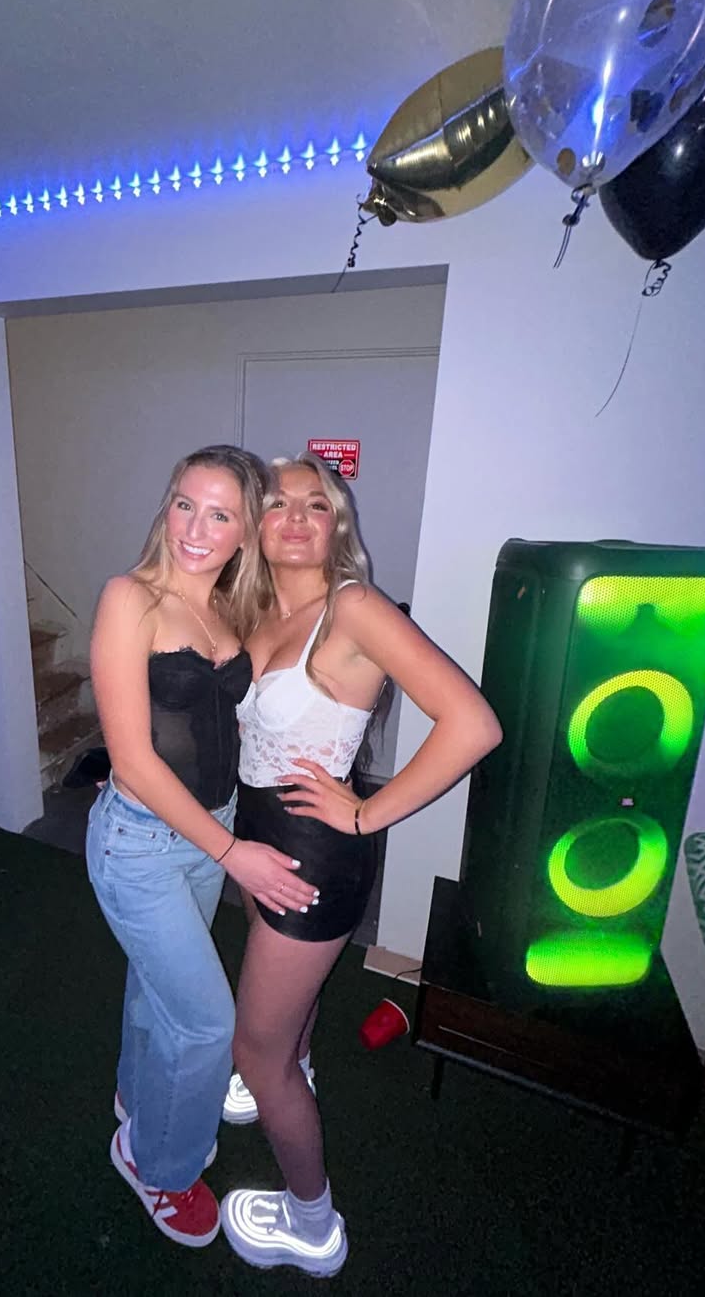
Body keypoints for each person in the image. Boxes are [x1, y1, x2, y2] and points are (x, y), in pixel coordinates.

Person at [219, 453, 502, 1276]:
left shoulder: (352, 606)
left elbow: (473, 724)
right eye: (278, 504)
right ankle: (295, 1067)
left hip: (312, 855)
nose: (296, 517)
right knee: (283, 1025)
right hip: (260, 834)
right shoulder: (260, 608)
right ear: (257, 524)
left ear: (337, 525)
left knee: (253, 1052)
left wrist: (366, 812)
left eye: (317, 504)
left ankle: (312, 1223)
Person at [85, 445, 318, 1250]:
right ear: (167, 505)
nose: (195, 528)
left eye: (220, 515)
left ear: (245, 532)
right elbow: (132, 760)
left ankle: (138, 1100)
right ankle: (158, 1166)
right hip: (141, 843)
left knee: (156, 992)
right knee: (208, 1026)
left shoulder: (229, 610)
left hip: (204, 833)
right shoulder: (131, 598)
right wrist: (232, 852)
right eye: (185, 504)